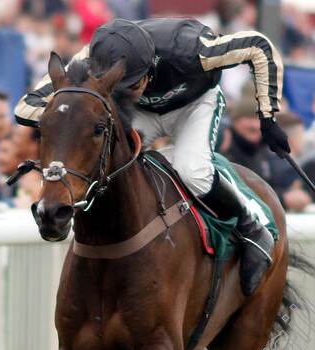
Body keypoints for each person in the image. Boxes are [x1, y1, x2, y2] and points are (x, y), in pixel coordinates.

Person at [15, 17, 289, 296]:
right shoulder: (90, 59)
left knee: (192, 170)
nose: (134, 89)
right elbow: (25, 107)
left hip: (194, 104)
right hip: (140, 112)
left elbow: (259, 46)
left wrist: (267, 116)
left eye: (135, 83)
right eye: (124, 86)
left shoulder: (191, 49)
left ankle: (252, 228)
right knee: (109, 163)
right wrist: (75, 118)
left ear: (151, 65)